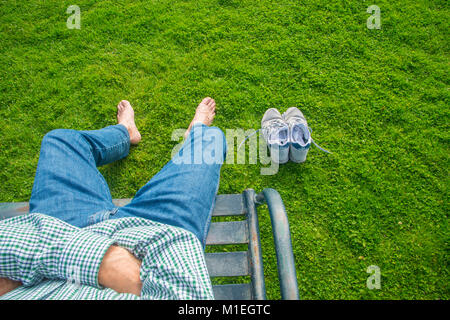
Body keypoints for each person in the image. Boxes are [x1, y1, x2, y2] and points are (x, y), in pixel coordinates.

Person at [0, 97, 226, 300]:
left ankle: (125, 132)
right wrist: (109, 263)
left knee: (60, 141)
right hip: (152, 239)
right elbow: (183, 286)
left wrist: (102, 263)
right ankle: (196, 133)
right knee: (211, 140)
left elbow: (7, 240)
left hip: (63, 228)